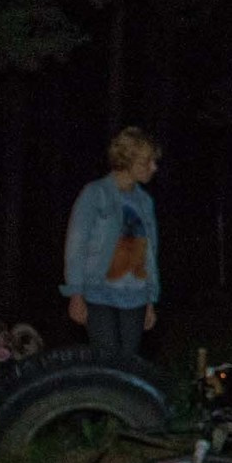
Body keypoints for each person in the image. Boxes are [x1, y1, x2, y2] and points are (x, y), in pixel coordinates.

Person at [62, 127, 163, 359]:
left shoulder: (144, 201)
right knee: (107, 362)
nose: (153, 167)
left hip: (135, 296)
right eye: (148, 161)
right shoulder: (94, 194)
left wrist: (150, 299)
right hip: (99, 294)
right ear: (128, 160)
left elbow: (150, 252)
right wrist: (76, 293)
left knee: (128, 364)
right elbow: (76, 245)